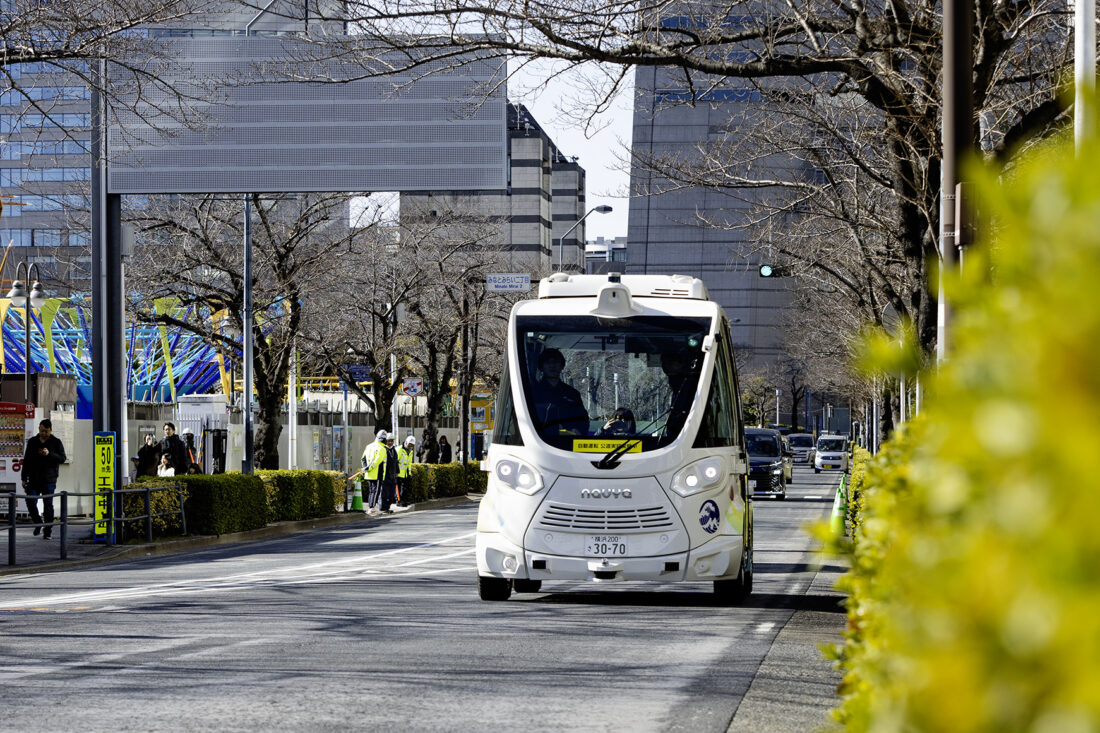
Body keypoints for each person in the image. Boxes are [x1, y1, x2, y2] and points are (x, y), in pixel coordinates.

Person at [21, 419, 66, 540]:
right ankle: (38, 522)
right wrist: (23, 478)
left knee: (48, 505)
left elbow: (62, 458)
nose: (43, 433)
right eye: (41, 431)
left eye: (46, 431)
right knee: (30, 501)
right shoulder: (32, 441)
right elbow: (27, 460)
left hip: (49, 479)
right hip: (33, 478)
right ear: (39, 429)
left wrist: (49, 454)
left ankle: (48, 531)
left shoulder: (56, 442)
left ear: (50, 430)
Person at [530, 348, 589, 436]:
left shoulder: (572, 394)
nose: (552, 365)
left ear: (562, 366)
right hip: (539, 438)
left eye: (556, 362)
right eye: (548, 362)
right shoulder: (532, 393)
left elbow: (583, 420)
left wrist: (577, 430)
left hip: (567, 440)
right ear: (541, 367)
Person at [362, 430, 388, 514]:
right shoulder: (382, 449)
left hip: (369, 474)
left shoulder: (369, 446)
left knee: (371, 491)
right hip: (377, 473)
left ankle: (371, 506)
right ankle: (372, 507)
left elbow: (363, 458)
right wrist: (369, 468)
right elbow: (377, 461)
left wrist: (365, 467)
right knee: (376, 491)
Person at [380, 436, 399, 513]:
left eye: (392, 441)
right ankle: (383, 507)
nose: (390, 442)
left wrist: (397, 471)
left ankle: (388, 507)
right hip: (385, 474)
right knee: (385, 492)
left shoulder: (394, 450)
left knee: (391, 493)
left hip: (393, 474)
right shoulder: (383, 449)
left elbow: (396, 462)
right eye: (389, 441)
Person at [396, 435, 416, 506]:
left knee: (404, 488)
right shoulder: (399, 449)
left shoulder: (410, 451)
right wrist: (396, 471)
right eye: (410, 444)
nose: (410, 446)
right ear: (406, 442)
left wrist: (409, 473)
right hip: (398, 473)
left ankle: (404, 500)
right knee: (398, 488)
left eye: (412, 445)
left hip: (405, 473)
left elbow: (409, 463)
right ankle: (398, 501)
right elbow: (395, 461)